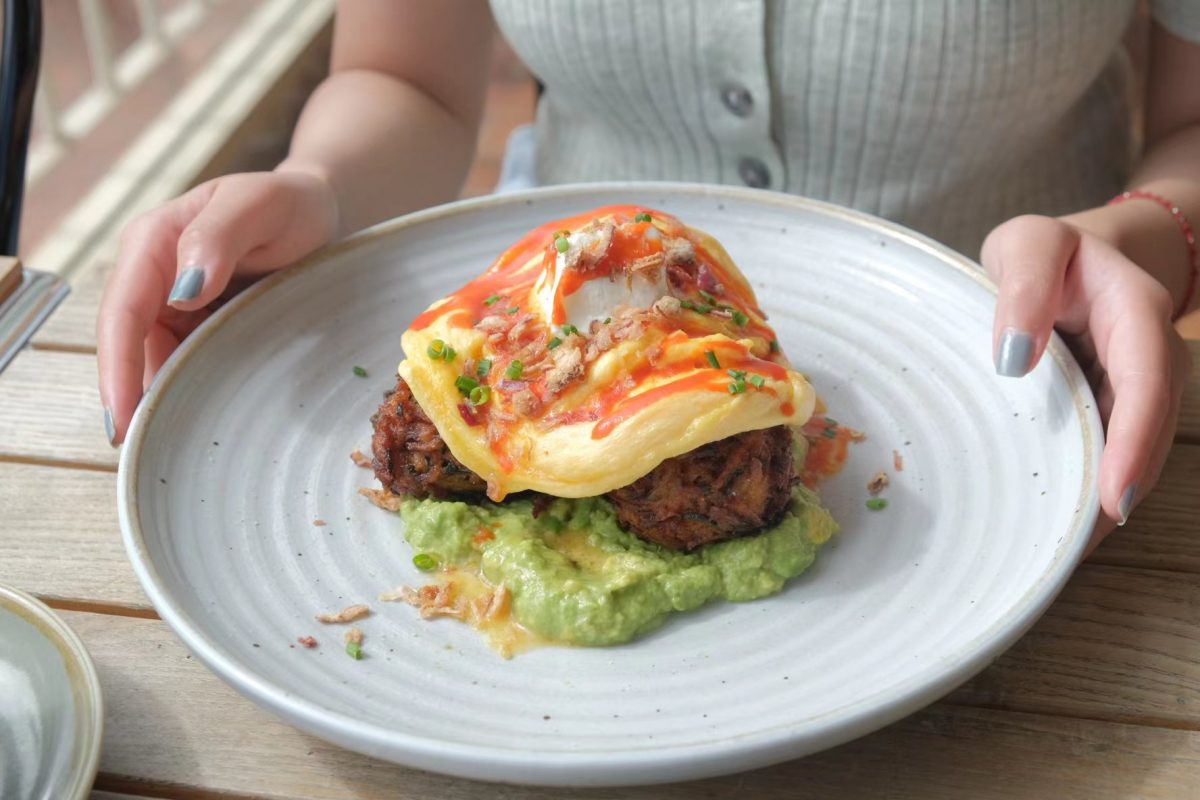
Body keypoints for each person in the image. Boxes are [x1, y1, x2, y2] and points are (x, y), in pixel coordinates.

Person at [96, 0, 1198, 544]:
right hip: (528, 330)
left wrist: (1145, 231)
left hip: (1015, 412)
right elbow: (404, 75)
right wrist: (317, 183)